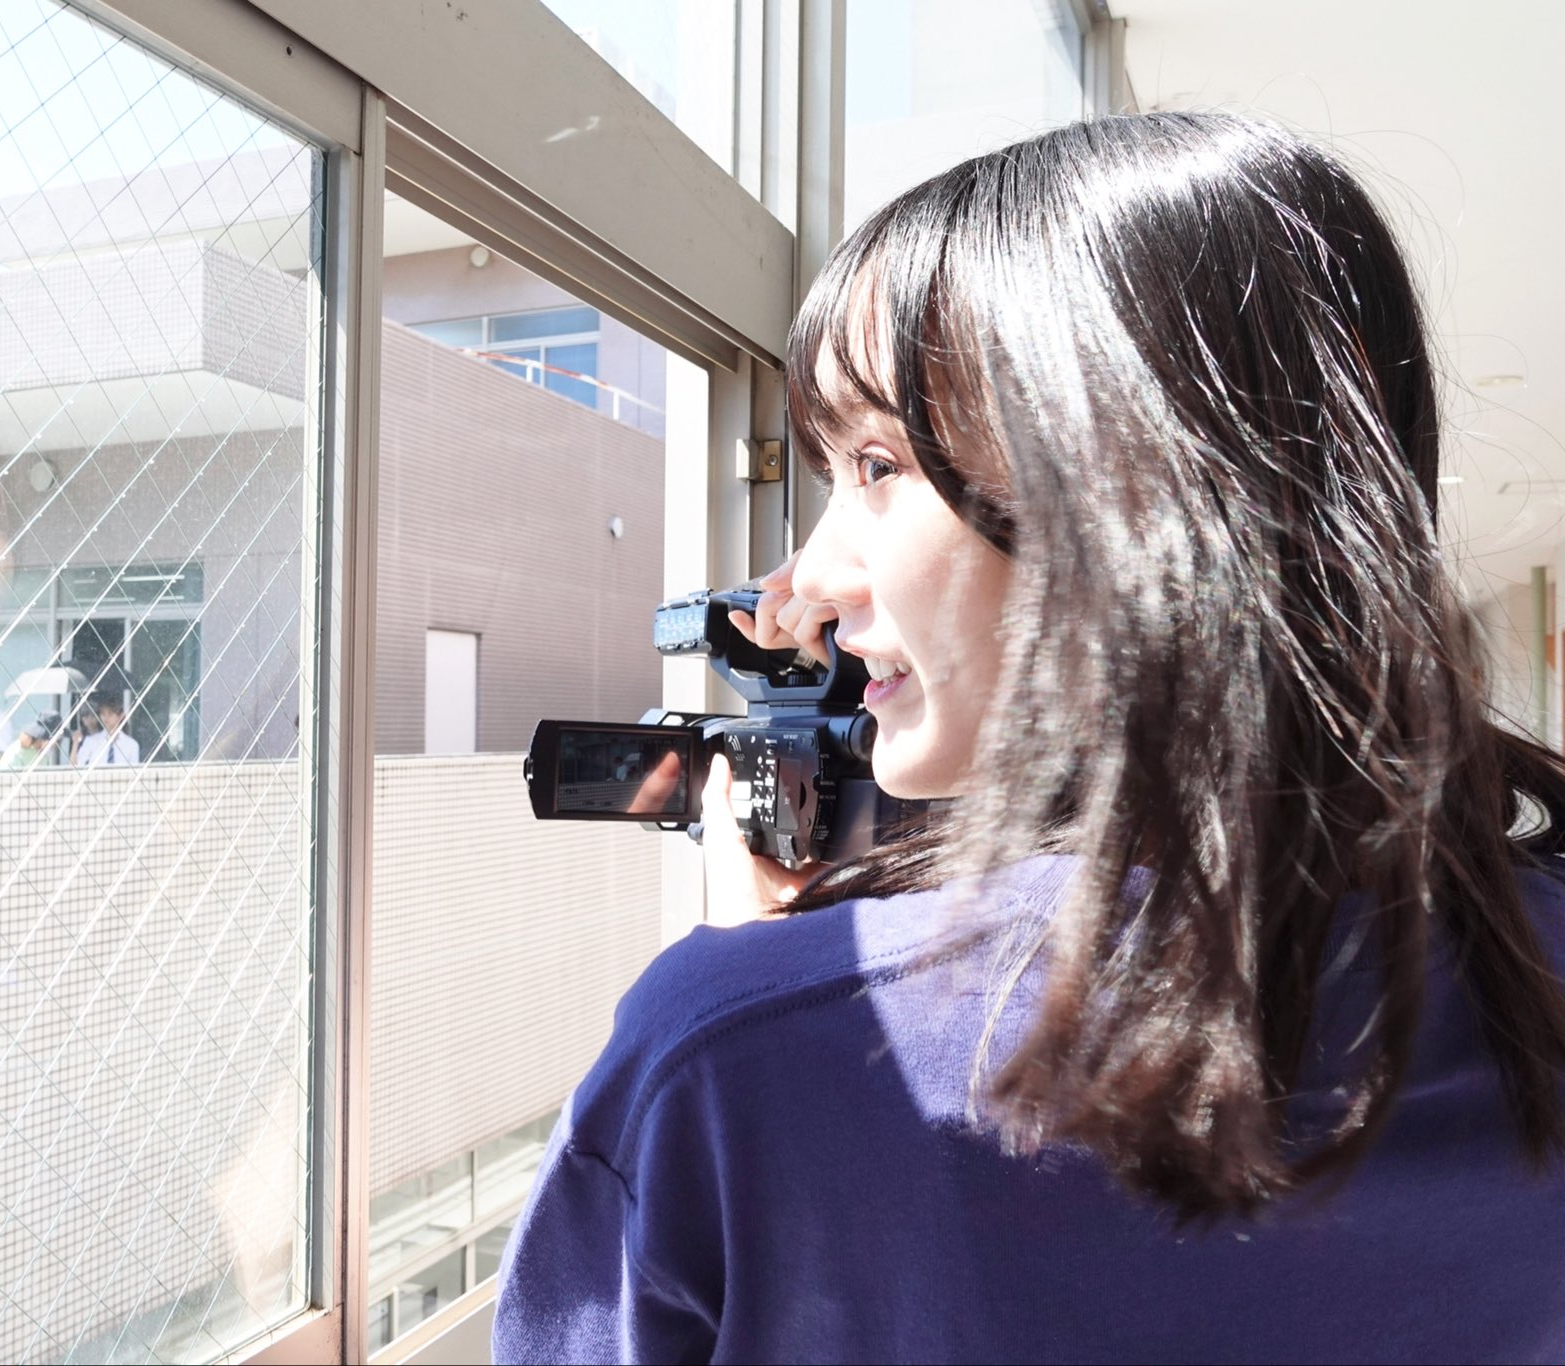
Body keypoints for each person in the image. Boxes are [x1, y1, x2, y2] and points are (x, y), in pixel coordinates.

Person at [493, 112, 1565, 1363]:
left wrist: (766, 997)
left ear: (1142, 481)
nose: (813, 580)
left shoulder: (735, 1068)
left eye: (878, 463)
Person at [73, 694, 140, 766]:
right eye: (103, 714)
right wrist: (75, 743)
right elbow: (76, 766)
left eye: (110, 714)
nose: (106, 718)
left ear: (121, 716)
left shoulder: (132, 745)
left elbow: (134, 770)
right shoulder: (91, 741)